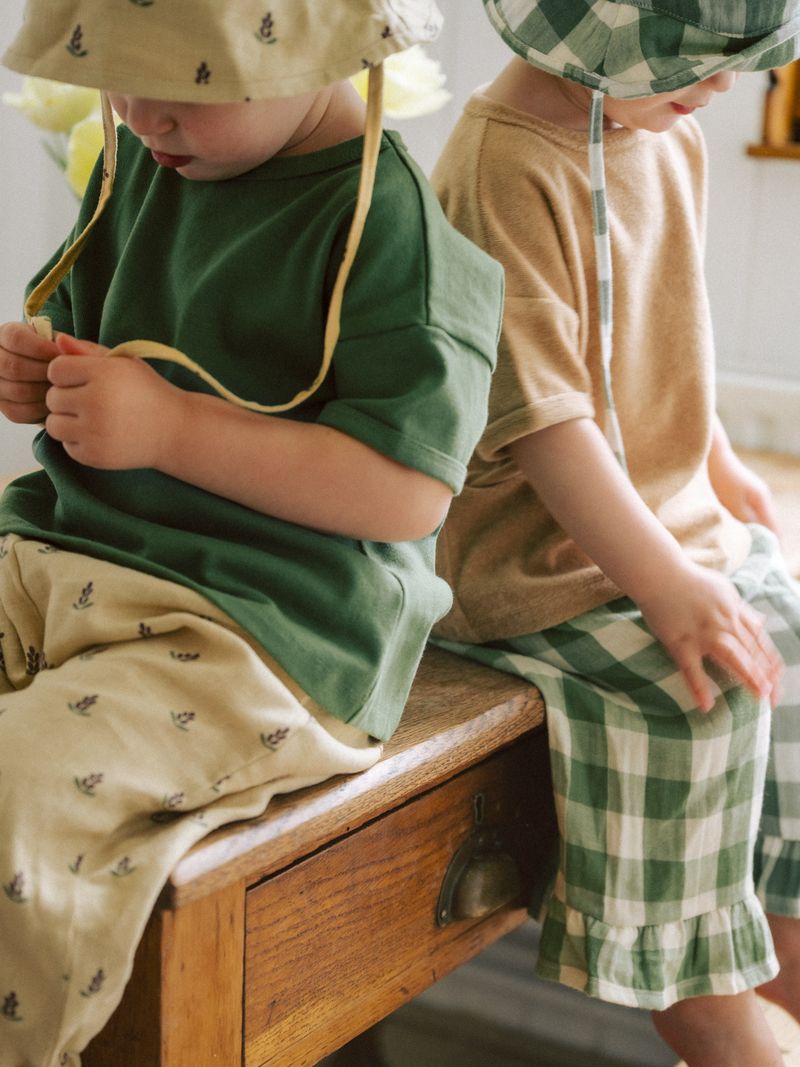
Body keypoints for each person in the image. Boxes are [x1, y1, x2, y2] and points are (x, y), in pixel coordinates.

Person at [0, 2, 504, 1063]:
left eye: (185, 83)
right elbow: (104, 345)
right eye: (123, 73)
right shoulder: (147, 161)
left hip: (265, 630)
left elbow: (407, 495)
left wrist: (171, 429)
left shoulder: (389, 233)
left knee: (17, 793)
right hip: (71, 557)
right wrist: (48, 374)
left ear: (315, 45)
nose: (142, 113)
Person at [429, 2, 800, 1064]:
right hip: (537, 563)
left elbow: (664, 331)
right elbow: (545, 420)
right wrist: (663, 580)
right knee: (700, 692)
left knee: (786, 637)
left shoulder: (659, 127)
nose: (723, 86)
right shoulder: (502, 169)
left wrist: (714, 459)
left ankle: (777, 949)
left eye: (741, 61)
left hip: (663, 529)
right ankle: (707, 998)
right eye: (697, 60)